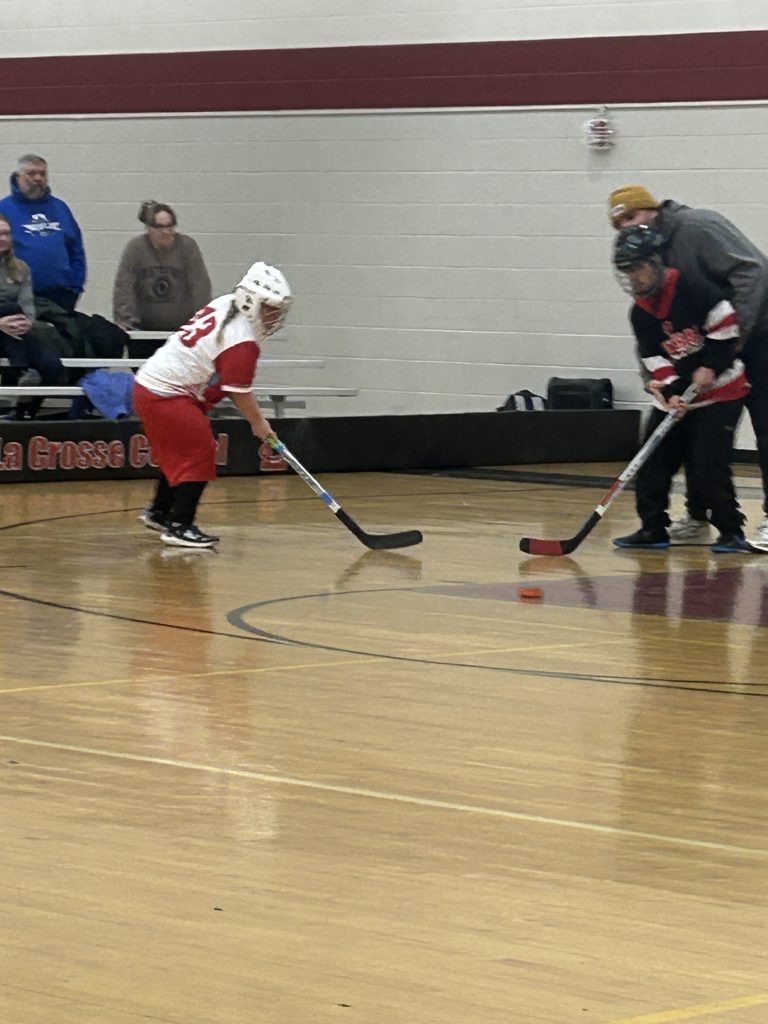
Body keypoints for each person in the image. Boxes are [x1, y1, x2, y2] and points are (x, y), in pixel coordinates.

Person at [608, 184, 768, 548]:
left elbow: (753, 272)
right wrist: (659, 383)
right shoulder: (648, 257)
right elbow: (653, 335)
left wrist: (725, 350)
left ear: (652, 209)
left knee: (765, 428)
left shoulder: (698, 226)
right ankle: (697, 517)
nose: (627, 226)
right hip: (709, 347)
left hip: (756, 334)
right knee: (694, 435)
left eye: (632, 215)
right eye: (619, 224)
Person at [133, 261, 291, 549]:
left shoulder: (226, 303)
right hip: (165, 394)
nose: (275, 316)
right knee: (200, 451)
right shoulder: (242, 340)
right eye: (270, 308)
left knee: (179, 452)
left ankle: (159, 513)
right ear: (251, 301)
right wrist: (259, 423)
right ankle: (180, 525)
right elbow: (239, 391)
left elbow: (222, 378)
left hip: (154, 387)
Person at [113, 200, 212, 357]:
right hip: (144, 331)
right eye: (160, 227)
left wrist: (201, 321)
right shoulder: (136, 248)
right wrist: (125, 319)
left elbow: (200, 286)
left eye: (170, 226)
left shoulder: (187, 247)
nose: (166, 232)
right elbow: (124, 286)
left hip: (181, 331)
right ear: (149, 228)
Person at [0, 213, 67, 420]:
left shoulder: (21, 269)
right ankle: (20, 370)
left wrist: (26, 323)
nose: (3, 238)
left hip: (15, 330)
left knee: (51, 364)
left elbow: (27, 305)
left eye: (6, 233)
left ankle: (25, 410)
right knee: (10, 308)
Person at [0, 153, 86, 313]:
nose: (38, 178)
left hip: (61, 295)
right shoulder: (4, 209)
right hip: (16, 295)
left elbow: (76, 248)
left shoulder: (60, 208)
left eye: (42, 174)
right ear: (17, 177)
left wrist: (76, 285)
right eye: (31, 173)